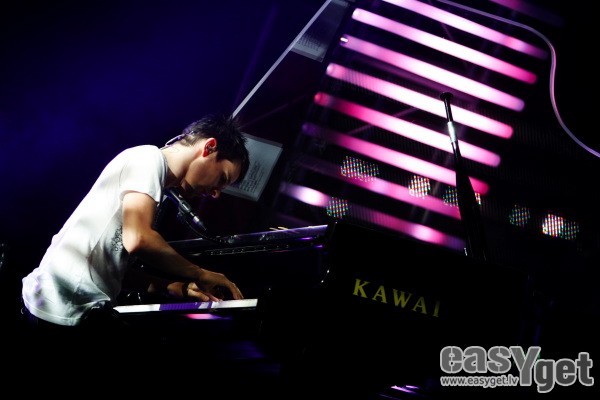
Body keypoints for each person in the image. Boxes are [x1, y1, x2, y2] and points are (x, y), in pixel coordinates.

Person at [20, 114, 251, 357]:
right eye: (222, 178)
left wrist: (174, 287)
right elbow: (138, 239)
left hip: (63, 309)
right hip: (61, 310)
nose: (216, 193)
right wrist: (200, 273)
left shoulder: (154, 184)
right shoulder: (148, 160)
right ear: (209, 147)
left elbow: (113, 266)